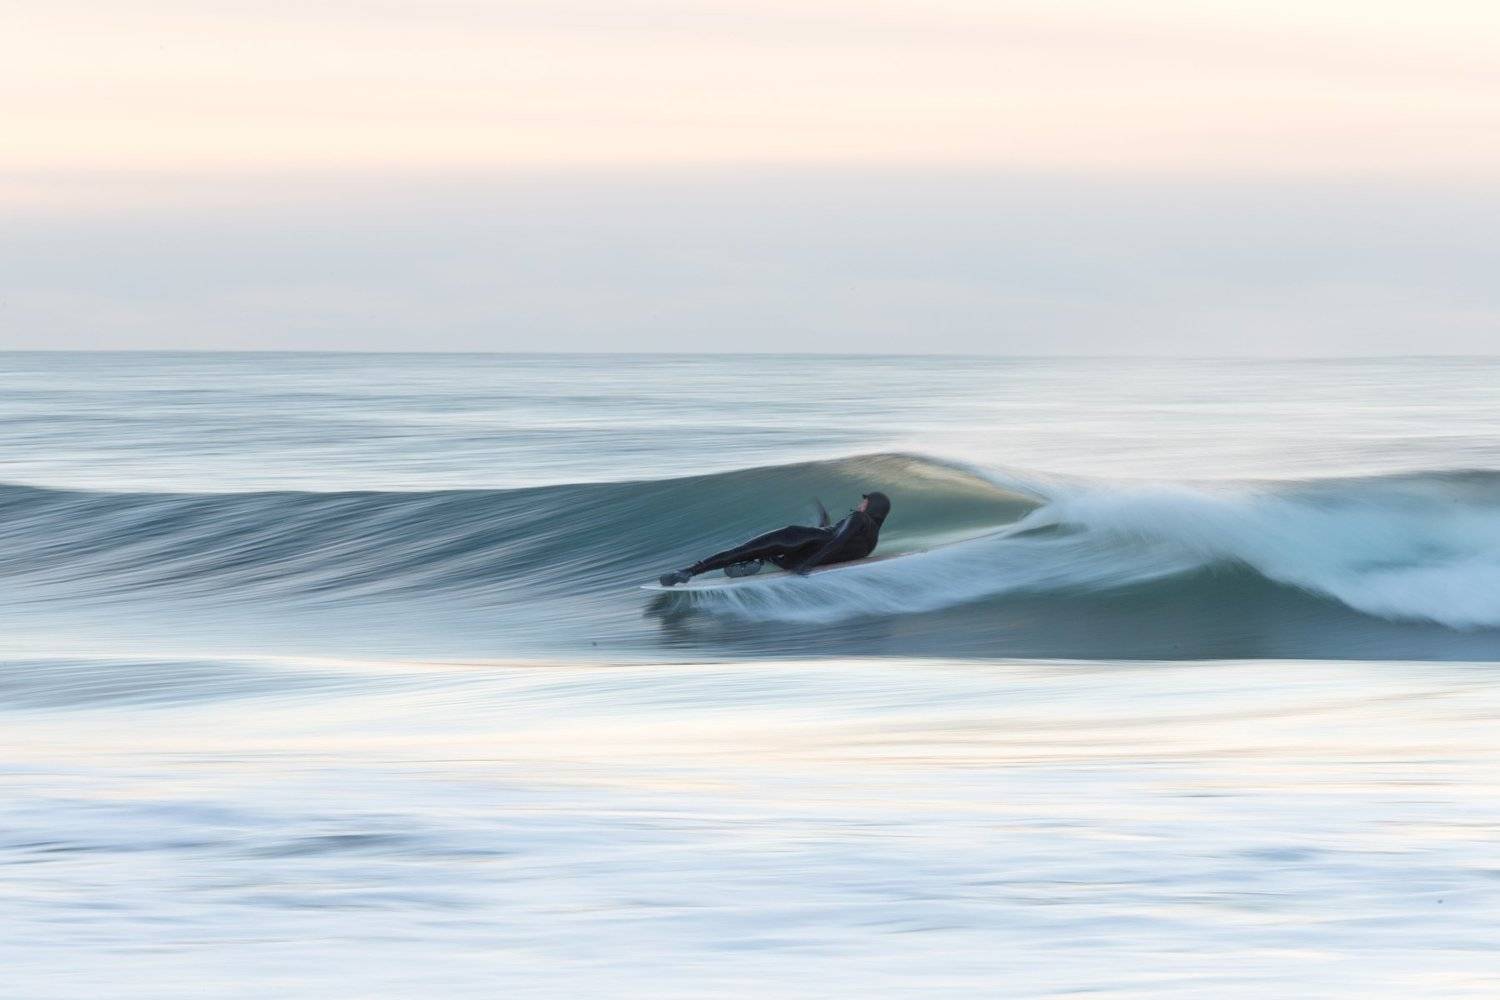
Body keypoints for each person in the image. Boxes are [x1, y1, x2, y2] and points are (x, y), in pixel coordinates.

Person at [658, 491, 891, 587]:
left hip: (795, 540)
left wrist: (808, 565)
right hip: (802, 552)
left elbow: (835, 540)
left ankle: (688, 572)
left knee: (742, 550)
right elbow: (833, 538)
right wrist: (808, 562)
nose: (860, 505)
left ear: (871, 506)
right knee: (758, 552)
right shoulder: (871, 541)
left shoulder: (859, 518)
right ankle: (758, 561)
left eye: (864, 502)